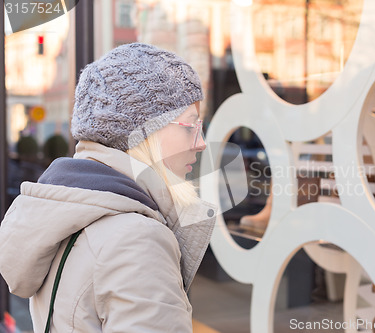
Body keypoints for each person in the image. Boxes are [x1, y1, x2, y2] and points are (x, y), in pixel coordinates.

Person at [0, 43, 217, 332]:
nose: (200, 142)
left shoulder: (70, 211)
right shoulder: (136, 238)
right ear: (145, 130)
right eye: (190, 126)